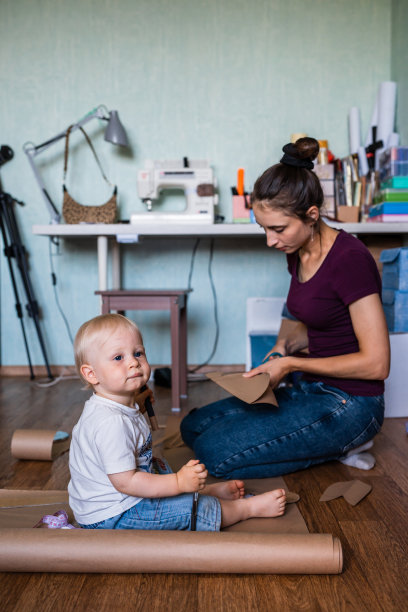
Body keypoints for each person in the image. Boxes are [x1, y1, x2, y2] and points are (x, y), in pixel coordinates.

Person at [180, 137, 390, 479]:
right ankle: (312, 439)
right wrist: (280, 350)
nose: (270, 240)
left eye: (278, 229)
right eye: (263, 228)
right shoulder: (297, 251)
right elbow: (298, 314)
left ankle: (346, 444)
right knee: (194, 427)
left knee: (213, 453)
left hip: (351, 403)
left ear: (311, 215)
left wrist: (291, 363)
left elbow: (378, 364)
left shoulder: (350, 260)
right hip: (307, 387)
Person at [68, 313, 286, 530]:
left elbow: (126, 430)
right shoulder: (110, 423)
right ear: (91, 374)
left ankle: (194, 493)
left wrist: (139, 402)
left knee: (158, 466)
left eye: (138, 353)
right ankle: (243, 509)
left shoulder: (114, 405)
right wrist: (178, 482)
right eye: (118, 358)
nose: (134, 362)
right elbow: (126, 482)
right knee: (191, 511)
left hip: (118, 501)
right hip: (115, 516)